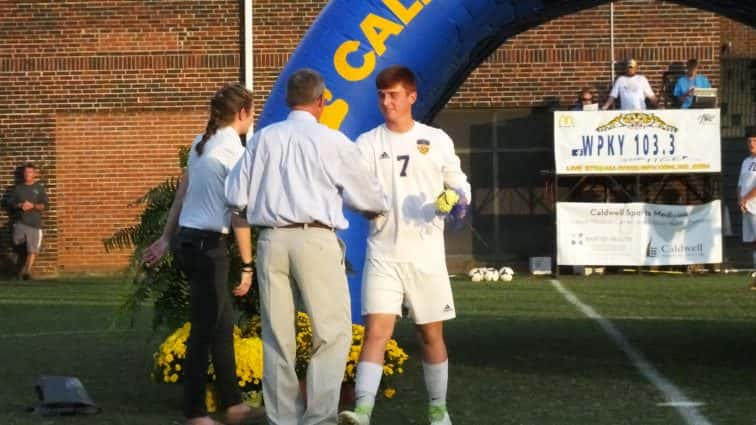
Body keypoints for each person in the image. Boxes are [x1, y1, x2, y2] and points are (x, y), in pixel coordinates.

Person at [224, 68, 388, 425]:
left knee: (277, 334)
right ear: (321, 101)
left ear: (288, 100)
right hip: (315, 238)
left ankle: (282, 418)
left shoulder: (263, 139)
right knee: (331, 332)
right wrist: (377, 208)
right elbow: (369, 195)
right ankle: (319, 418)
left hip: (271, 239)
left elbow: (235, 194)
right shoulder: (332, 141)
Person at [338, 66, 471, 425]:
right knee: (376, 332)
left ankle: (438, 410)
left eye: (393, 95)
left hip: (426, 256)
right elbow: (350, 191)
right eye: (381, 94)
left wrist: (455, 199)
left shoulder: (436, 139)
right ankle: (363, 410)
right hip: (383, 254)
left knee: (430, 334)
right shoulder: (367, 143)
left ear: (411, 97)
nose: (386, 101)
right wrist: (363, 205)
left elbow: (459, 184)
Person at [142, 83, 258, 425]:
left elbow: (181, 196)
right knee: (205, 329)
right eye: (252, 112)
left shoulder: (199, 144)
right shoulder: (234, 154)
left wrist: (165, 239)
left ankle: (233, 402)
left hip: (190, 244)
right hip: (210, 249)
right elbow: (239, 214)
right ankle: (194, 412)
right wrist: (248, 266)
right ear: (242, 114)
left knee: (222, 324)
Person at [8, 162, 49, 280]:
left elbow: (45, 206)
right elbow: (9, 203)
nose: (27, 174)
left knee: (32, 249)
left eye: (30, 172)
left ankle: (27, 272)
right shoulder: (18, 189)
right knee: (18, 245)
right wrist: (20, 205)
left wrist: (33, 206)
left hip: (34, 224)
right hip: (20, 222)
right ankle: (19, 270)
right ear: (23, 174)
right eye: (26, 172)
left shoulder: (39, 188)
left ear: (34, 174)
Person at [737, 126, 756, 290]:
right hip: (747, 209)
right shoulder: (746, 161)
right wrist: (740, 201)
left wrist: (746, 198)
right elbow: (740, 184)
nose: (751, 143)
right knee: (752, 244)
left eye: (755, 140)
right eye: (749, 140)